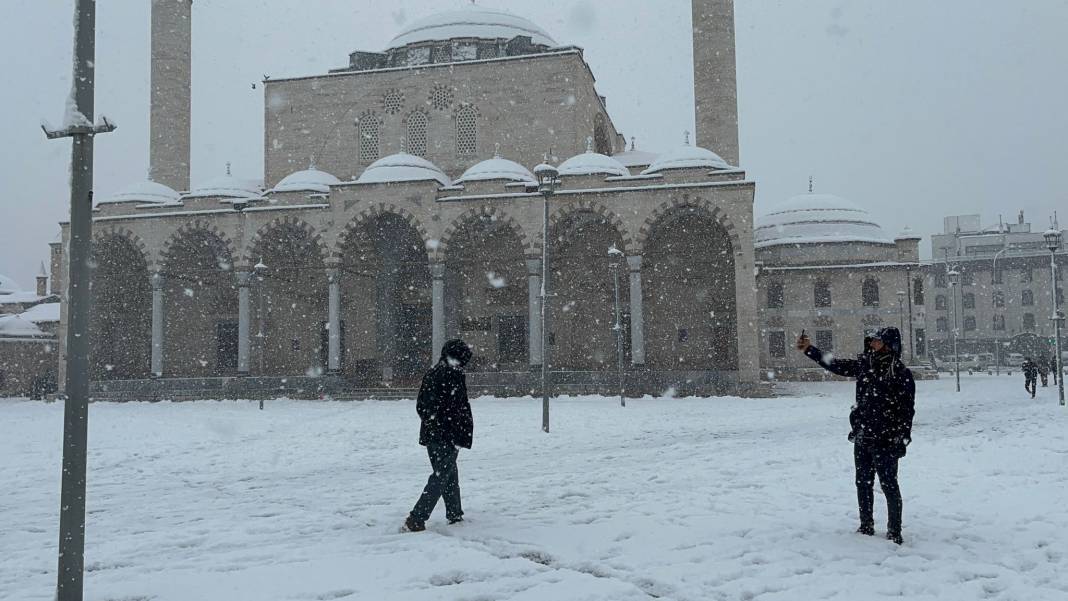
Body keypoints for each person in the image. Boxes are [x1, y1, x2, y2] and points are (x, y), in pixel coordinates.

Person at [796, 327, 915, 545]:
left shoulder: (900, 373)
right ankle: (866, 525)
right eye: (871, 341)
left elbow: (907, 411)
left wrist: (903, 438)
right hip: (863, 435)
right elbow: (837, 365)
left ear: (889, 344)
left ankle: (894, 530)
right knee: (863, 482)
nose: (872, 345)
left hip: (887, 439)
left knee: (889, 484)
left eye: (877, 341)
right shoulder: (865, 365)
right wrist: (810, 350)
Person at [403, 339, 474, 533]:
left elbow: (423, 406)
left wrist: (433, 423)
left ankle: (454, 512)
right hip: (448, 435)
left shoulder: (434, 372)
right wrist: (453, 430)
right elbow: (459, 407)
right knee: (442, 475)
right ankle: (417, 517)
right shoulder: (452, 374)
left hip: (434, 434)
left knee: (448, 473)